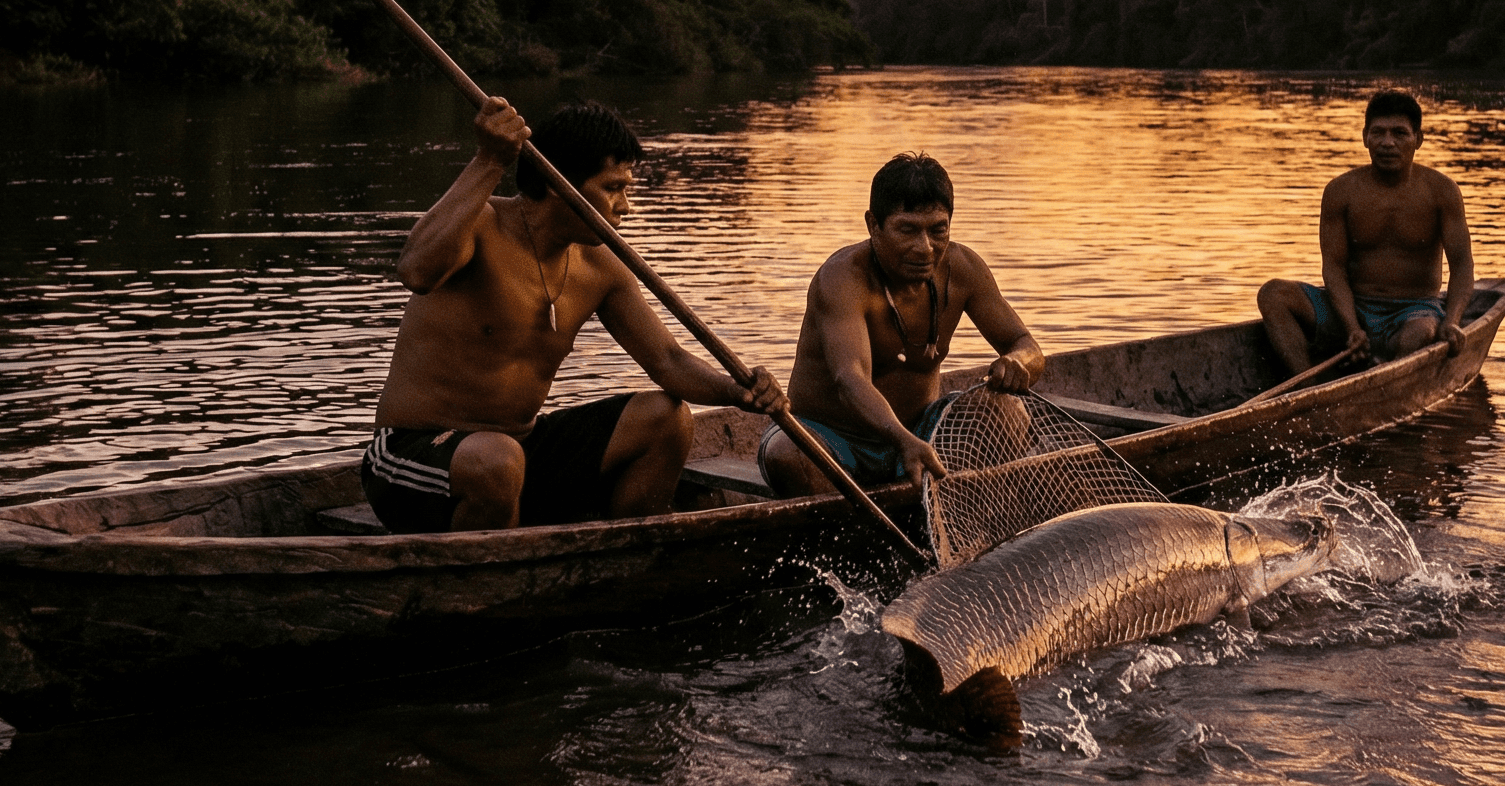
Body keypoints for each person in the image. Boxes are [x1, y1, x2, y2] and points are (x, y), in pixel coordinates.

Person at [364, 97, 781, 533]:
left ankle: (627, 559)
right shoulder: (482, 225)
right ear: (561, 183)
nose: (626, 206)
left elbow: (668, 361)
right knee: (498, 462)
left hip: (519, 450)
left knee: (666, 419)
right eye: (612, 188)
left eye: (627, 189)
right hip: (413, 454)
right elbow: (414, 269)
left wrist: (737, 390)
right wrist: (489, 160)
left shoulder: (601, 266)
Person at [759, 152, 1045, 497]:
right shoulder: (842, 278)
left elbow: (1026, 344)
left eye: (937, 230)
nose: (924, 248)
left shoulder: (964, 268)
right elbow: (849, 380)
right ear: (873, 225)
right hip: (831, 436)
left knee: (1007, 413)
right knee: (786, 456)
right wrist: (902, 440)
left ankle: (949, 510)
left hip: (921, 428)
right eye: (907, 230)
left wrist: (1018, 362)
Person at [1257, 89, 1476, 374]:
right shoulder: (1341, 191)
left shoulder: (1442, 191)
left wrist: (1452, 321)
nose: (1387, 143)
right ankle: (1307, 387)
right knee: (1273, 294)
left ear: (1418, 139)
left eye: (1399, 133)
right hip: (1353, 308)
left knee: (1421, 334)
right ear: (1365, 138)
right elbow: (1333, 268)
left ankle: (1383, 375)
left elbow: (1462, 265)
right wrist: (1352, 327)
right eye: (1378, 133)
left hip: (1414, 311)